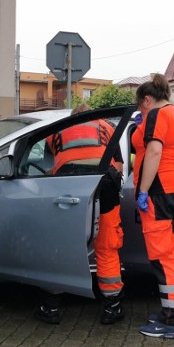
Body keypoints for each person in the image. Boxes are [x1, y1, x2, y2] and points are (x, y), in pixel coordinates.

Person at [34, 103, 126, 325]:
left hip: (68, 184)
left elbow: (48, 168)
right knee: (106, 245)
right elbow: (120, 166)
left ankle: (51, 306)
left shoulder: (56, 132)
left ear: (72, 117)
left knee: (60, 246)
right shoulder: (107, 127)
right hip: (106, 185)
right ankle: (111, 307)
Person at [132, 74, 174, 339]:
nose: (141, 113)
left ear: (148, 99)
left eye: (141, 108)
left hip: (162, 192)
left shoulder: (157, 115)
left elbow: (155, 151)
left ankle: (169, 321)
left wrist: (144, 190)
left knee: (163, 256)